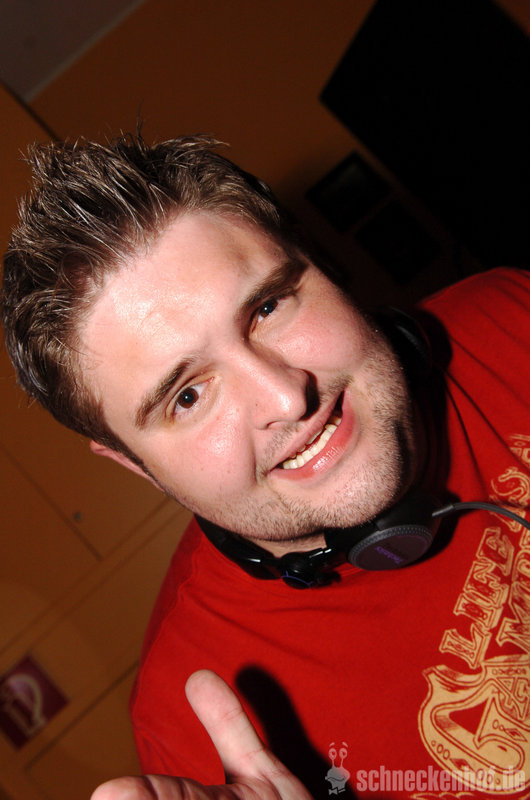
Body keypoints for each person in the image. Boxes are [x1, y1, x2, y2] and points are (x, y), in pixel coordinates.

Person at [2, 134, 529, 800]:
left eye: (268, 307)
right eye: (188, 396)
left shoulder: (512, 314)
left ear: (321, 263)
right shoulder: (188, 729)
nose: (287, 398)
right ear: (137, 467)